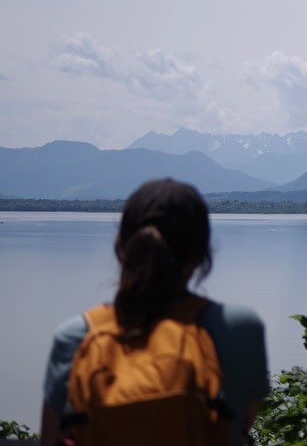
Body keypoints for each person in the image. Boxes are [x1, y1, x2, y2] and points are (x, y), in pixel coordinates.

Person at [39, 179, 270, 446]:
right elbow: (241, 423)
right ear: (201, 255)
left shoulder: (76, 336)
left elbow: (50, 439)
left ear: (122, 248)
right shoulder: (239, 329)